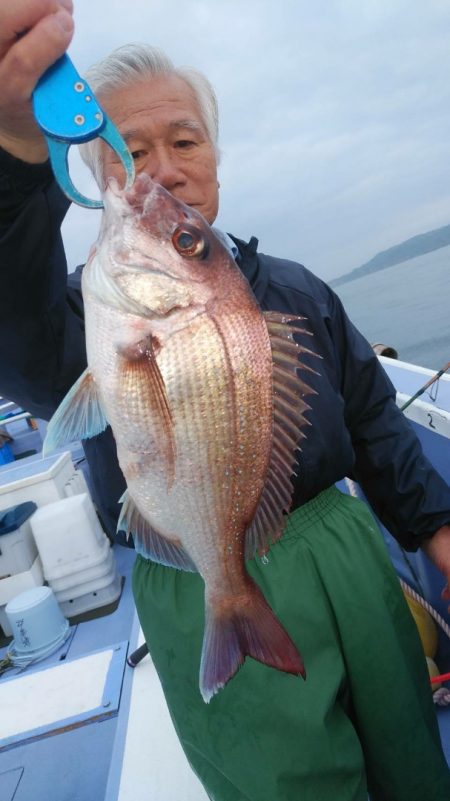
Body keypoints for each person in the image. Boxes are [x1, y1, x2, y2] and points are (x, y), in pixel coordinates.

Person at [1, 3, 450, 799]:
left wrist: (438, 530)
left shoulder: (297, 288)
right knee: (293, 782)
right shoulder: (86, 319)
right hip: (197, 568)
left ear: (217, 160)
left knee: (410, 750)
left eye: (185, 140)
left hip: (345, 548)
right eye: (131, 150)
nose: (164, 168)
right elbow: (15, 329)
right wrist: (13, 155)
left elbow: (377, 423)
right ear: (92, 173)